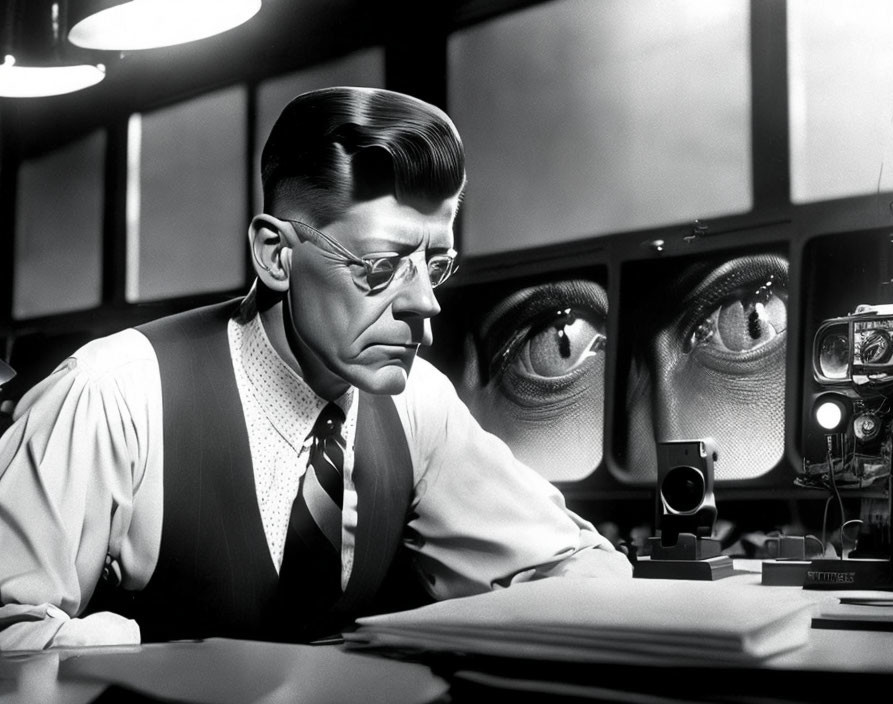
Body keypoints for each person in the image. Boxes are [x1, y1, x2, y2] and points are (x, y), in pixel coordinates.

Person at [0, 86, 631, 651]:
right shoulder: (112, 392)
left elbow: (571, 563)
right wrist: (128, 643)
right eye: (381, 267)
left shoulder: (419, 403)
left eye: (434, 265)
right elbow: (10, 630)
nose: (424, 303)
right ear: (277, 255)